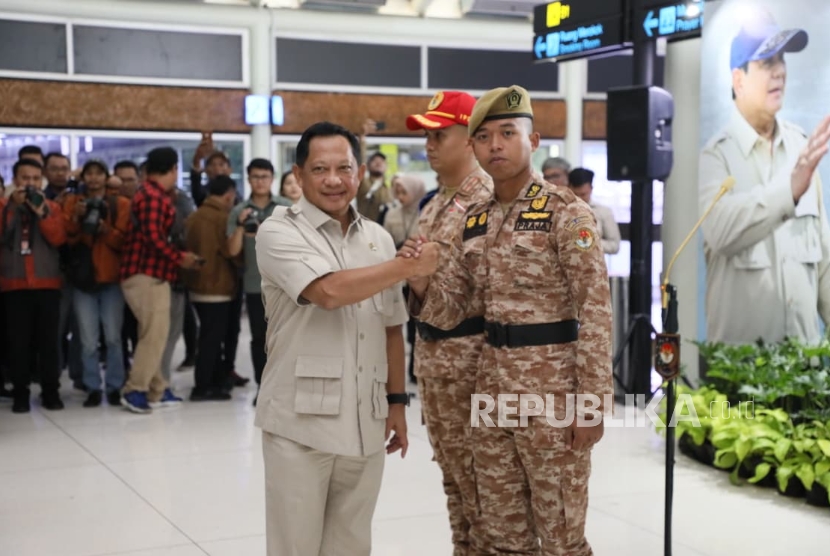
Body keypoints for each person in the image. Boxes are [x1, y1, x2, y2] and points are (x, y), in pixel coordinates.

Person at [405, 85, 613, 555]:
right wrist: (419, 281)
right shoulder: (474, 220)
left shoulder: (566, 213)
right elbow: (452, 305)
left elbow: (596, 310)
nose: (495, 145)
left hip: (551, 394)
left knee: (560, 536)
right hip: (490, 389)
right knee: (501, 536)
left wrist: (593, 403)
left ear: (533, 140)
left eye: (507, 133)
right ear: (474, 147)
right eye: (484, 137)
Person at [254, 121, 439, 556]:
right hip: (300, 425)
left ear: (359, 173)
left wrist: (396, 403)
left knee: (352, 544)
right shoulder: (278, 232)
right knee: (295, 546)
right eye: (320, 169)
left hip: (366, 420)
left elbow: (392, 326)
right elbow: (328, 292)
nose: (334, 180)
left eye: (344, 167)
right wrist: (407, 267)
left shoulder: (376, 237)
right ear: (298, 176)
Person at [700, 13, 830, 346]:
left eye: (782, 60)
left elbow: (824, 266)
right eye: (766, 62)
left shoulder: (802, 148)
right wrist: (789, 190)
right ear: (738, 79)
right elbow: (721, 232)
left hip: (804, 369)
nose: (780, 71)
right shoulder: (715, 158)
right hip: (741, 376)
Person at [403, 89, 494, 555]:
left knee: (483, 493)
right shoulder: (439, 203)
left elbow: (477, 290)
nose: (429, 144)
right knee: (455, 487)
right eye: (426, 135)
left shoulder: (487, 201)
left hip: (470, 367)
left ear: (469, 138)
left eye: (439, 134)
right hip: (437, 364)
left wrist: (420, 277)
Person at [119, 147, 201, 414]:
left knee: (155, 334)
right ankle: (135, 390)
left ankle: (157, 389)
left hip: (152, 274)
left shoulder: (149, 193)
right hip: (146, 274)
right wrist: (180, 258)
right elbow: (154, 239)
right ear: (174, 169)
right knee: (153, 337)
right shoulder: (153, 197)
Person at [63, 160, 132, 408]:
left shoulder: (119, 203)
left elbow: (124, 241)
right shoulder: (73, 202)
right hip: (83, 280)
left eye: (98, 174)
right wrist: (76, 219)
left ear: (106, 176)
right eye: (88, 174)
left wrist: (104, 229)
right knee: (87, 340)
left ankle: (114, 386)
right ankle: (92, 386)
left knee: (114, 338)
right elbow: (66, 239)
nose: (93, 179)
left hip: (111, 279)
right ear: (83, 177)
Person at [0, 159, 67, 413]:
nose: (30, 184)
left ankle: (51, 392)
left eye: (35, 179)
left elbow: (58, 238)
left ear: (42, 181)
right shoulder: (4, 206)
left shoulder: (51, 207)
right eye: (25, 178)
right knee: (18, 344)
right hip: (14, 285)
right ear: (15, 180)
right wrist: (11, 209)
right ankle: (20, 394)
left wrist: (42, 214)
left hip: (46, 283)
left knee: (49, 343)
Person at [227, 159, 291, 401]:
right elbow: (232, 251)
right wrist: (243, 227)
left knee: (286, 338)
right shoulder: (239, 210)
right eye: (255, 177)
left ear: (272, 179)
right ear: (249, 179)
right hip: (255, 284)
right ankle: (263, 388)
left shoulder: (286, 207)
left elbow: (298, 245)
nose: (260, 181)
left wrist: (269, 230)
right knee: (259, 339)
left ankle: (284, 388)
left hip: (286, 284)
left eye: (264, 177)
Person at [185, 175, 241, 401]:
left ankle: (214, 380)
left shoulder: (194, 216)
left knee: (208, 335)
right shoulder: (223, 218)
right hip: (218, 285)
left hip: (196, 283)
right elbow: (231, 252)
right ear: (229, 195)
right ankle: (203, 386)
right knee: (212, 338)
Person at [568, 167, 621, 255]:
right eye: (575, 194)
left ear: (591, 189)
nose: (579, 199)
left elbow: (614, 245)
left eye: (583, 194)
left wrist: (589, 243)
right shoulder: (561, 211)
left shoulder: (603, 212)